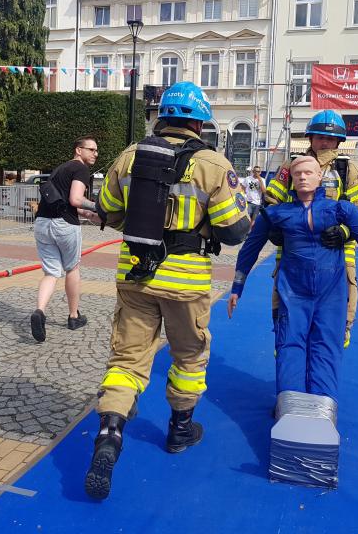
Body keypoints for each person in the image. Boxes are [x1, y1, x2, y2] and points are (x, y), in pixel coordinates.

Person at [84, 81, 251, 500]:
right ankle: (180, 430)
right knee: (189, 356)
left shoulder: (129, 156)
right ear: (200, 122)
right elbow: (235, 231)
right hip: (186, 281)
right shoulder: (214, 164)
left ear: (161, 116)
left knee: (127, 360)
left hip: (135, 275)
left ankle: (109, 435)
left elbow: (107, 211)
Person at [228, 155, 358, 403]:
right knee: (289, 345)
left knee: (326, 347)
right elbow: (250, 248)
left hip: (331, 294)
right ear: (291, 179)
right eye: (297, 173)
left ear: (319, 177)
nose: (303, 177)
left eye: (308, 173)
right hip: (292, 293)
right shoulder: (275, 214)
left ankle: (323, 405)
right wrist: (237, 286)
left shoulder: (341, 210)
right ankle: (290, 403)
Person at [264, 109, 358, 349]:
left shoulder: (347, 169)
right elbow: (271, 201)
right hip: (294, 252)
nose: (325, 143)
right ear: (310, 138)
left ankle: (337, 336)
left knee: (338, 308)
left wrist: (344, 232)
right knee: (286, 305)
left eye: (330, 139)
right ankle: (285, 342)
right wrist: (275, 228)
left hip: (338, 253)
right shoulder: (292, 165)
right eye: (320, 137)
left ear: (339, 142)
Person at [30, 136, 99, 343]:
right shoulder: (81, 169)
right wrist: (98, 207)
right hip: (64, 225)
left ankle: (40, 311)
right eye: (91, 149)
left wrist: (86, 214)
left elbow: (64, 201)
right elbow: (75, 199)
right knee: (72, 268)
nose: (95, 154)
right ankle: (73, 316)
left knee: (51, 272)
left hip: (42, 223)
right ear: (78, 150)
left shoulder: (60, 169)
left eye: (96, 150)